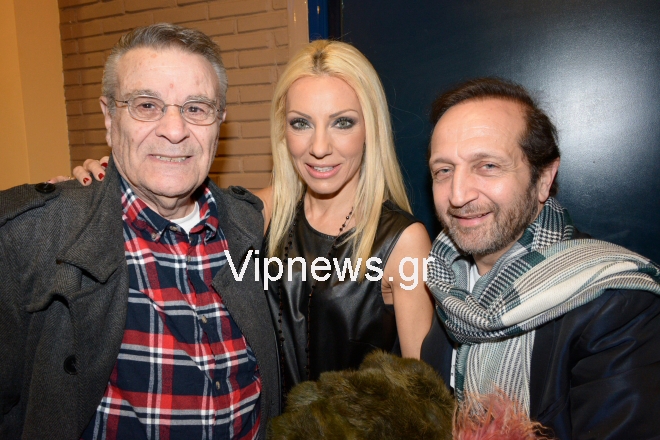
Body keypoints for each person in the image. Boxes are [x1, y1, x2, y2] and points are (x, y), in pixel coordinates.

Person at [67, 40, 435, 398]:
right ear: (283, 130)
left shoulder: (403, 242)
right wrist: (106, 183)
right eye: (301, 123)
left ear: (370, 128)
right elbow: (167, 207)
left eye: (342, 122)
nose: (319, 147)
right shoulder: (261, 213)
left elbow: (424, 399)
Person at [0, 24, 279, 440]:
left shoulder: (249, 226)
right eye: (147, 105)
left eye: (196, 108)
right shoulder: (31, 237)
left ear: (219, 121)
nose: (174, 130)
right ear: (109, 117)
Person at [425, 77, 660, 439]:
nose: (457, 195)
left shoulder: (619, 306)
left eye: (488, 166)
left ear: (544, 178)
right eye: (444, 170)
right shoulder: (445, 284)